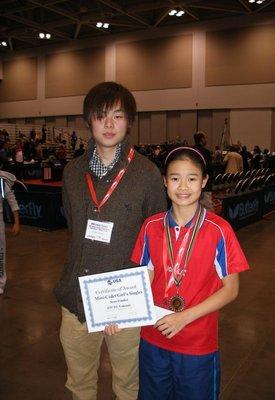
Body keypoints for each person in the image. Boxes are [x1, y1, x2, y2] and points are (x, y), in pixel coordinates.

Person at [106, 146, 250, 400]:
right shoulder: (150, 226)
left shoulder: (219, 230)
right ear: (165, 181)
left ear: (204, 181)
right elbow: (144, 279)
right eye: (175, 178)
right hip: (153, 339)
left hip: (197, 343)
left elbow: (232, 289)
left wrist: (184, 317)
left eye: (192, 178)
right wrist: (119, 313)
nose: (183, 186)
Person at [54, 81, 167, 400]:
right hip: (77, 297)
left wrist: (131, 295)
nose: (108, 124)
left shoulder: (146, 173)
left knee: (128, 385)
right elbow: (73, 224)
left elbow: (156, 239)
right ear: (88, 120)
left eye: (117, 116)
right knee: (80, 384)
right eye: (101, 115)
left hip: (124, 303)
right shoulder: (72, 172)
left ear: (129, 122)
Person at [0, 170, 21, 295]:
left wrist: (16, 222)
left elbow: (12, 201)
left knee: (0, 252)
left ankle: (1, 282)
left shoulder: (1, 183)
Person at [193, 131, 213, 210]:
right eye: (205, 138)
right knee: (207, 207)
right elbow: (208, 169)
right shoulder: (206, 152)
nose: (206, 140)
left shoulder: (191, 151)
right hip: (205, 185)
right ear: (202, 139)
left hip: (192, 183)